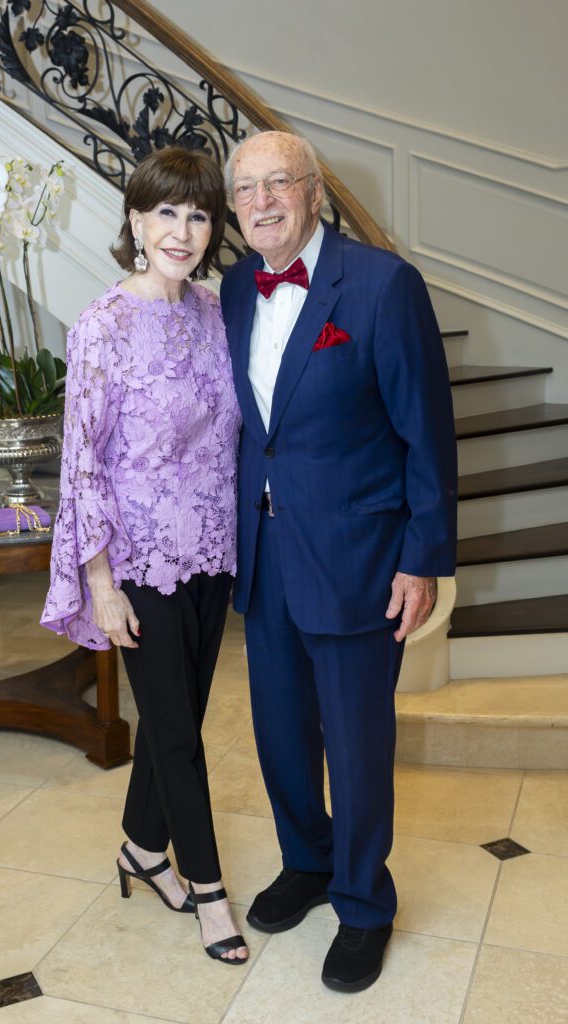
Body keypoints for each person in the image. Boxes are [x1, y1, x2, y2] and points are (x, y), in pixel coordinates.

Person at [220, 131, 457, 992]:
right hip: (266, 551)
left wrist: (420, 558)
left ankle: (363, 902)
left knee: (356, 746)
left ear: (314, 191)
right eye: (245, 190)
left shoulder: (385, 286)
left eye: (278, 182)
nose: (262, 202)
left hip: (360, 556)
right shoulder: (235, 286)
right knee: (281, 733)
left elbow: (425, 434)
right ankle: (307, 861)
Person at [42, 147, 248, 965]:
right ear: (134, 220)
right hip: (138, 561)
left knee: (177, 723)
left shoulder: (209, 309)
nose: (183, 230)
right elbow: (81, 460)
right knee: (179, 736)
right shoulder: (102, 324)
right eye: (166, 212)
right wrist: (100, 582)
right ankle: (206, 891)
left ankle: (139, 846)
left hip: (210, 549)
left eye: (198, 214)